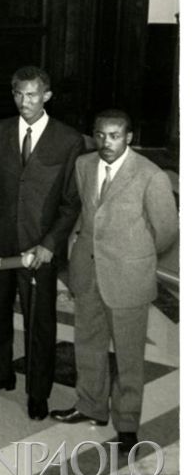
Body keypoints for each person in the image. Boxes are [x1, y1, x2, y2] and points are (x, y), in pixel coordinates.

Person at [51, 110, 178, 451]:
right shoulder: (84, 165)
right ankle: (90, 405)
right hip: (88, 272)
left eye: (115, 135)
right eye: (101, 135)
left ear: (129, 137)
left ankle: (126, 424)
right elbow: (87, 214)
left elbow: (166, 231)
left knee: (128, 355)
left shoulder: (151, 176)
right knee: (88, 343)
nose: (107, 142)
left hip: (128, 277)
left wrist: (135, 255)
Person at [0, 66, 82, 421]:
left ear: (47, 96)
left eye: (32, 95)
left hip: (39, 248)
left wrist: (49, 243)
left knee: (40, 322)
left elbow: (71, 201)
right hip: (0, 242)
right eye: (19, 94)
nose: (25, 102)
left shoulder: (67, 139)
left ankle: (38, 392)